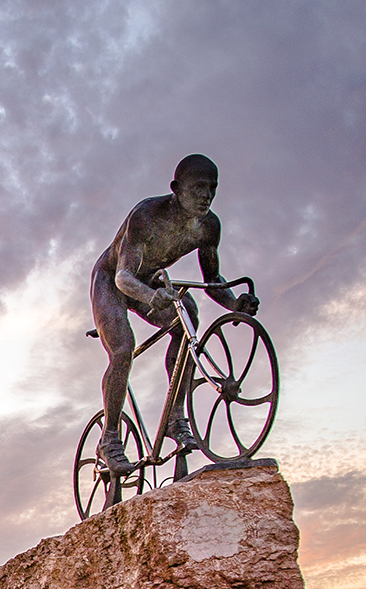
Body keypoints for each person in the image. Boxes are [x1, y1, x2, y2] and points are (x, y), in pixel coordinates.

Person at [90, 154, 260, 475]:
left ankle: (174, 416)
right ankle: (110, 439)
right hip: (112, 281)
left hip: (150, 280)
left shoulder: (209, 227)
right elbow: (123, 277)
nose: (207, 195)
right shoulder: (147, 215)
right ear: (176, 189)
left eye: (212, 188)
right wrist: (151, 295)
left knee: (188, 316)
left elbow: (213, 281)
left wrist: (236, 304)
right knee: (123, 350)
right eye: (198, 188)